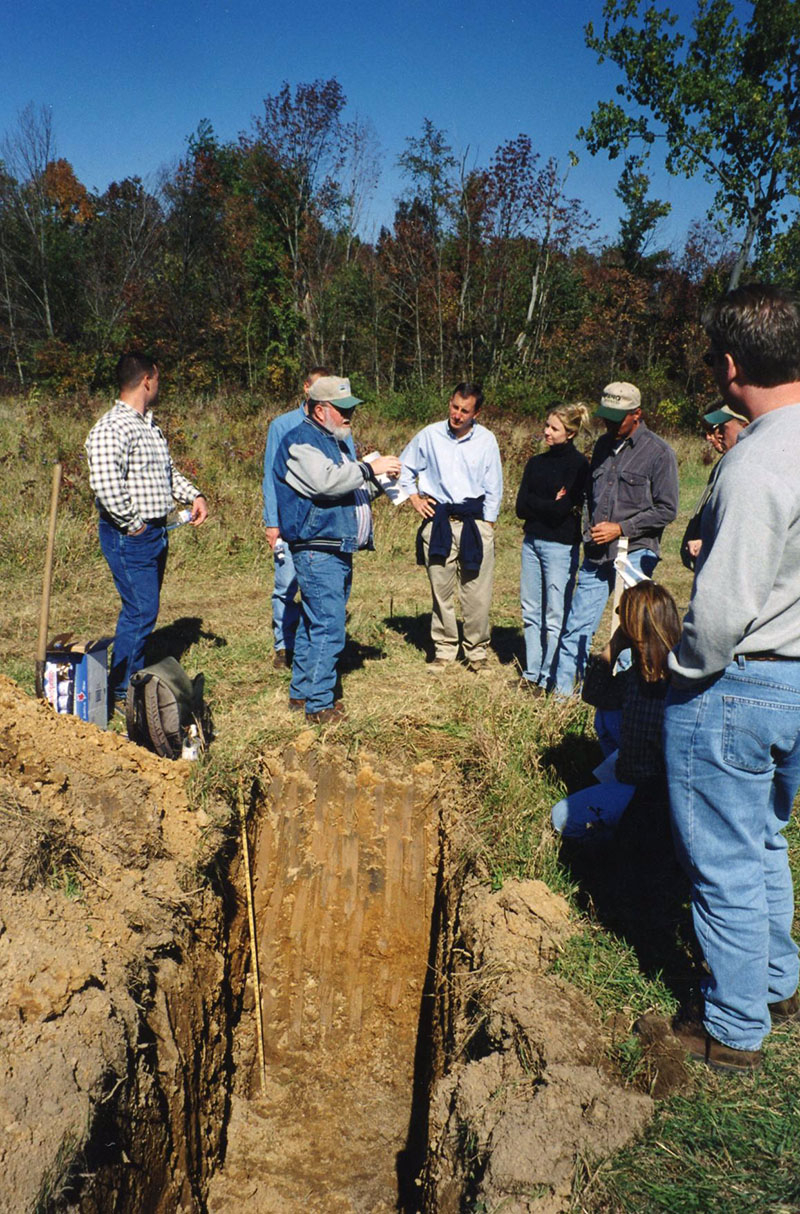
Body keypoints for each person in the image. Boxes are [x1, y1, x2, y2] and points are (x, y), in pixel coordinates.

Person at [664, 283, 800, 1074]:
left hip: (740, 684)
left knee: (722, 860)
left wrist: (679, 671)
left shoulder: (757, 462)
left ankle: (736, 1026)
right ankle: (779, 982)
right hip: (795, 681)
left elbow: (719, 613)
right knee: (763, 839)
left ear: (729, 364)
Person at [274, 375, 400, 724]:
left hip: (334, 546)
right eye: (342, 409)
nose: (349, 416)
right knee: (329, 625)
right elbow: (326, 483)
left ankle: (302, 693)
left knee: (316, 624)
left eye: (351, 409)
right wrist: (368, 468)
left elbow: (344, 490)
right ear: (319, 410)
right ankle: (319, 705)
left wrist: (381, 483)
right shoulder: (301, 441)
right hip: (318, 548)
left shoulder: (334, 442)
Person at [85, 352, 208, 708]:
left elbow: (166, 475)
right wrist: (133, 525)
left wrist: (194, 495)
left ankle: (128, 680)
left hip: (154, 532)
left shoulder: (148, 426)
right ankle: (122, 690)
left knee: (144, 610)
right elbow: (106, 486)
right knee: (140, 610)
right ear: (147, 380)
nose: (160, 384)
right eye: (159, 377)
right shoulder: (112, 428)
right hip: (130, 536)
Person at [552, 382, 679, 696]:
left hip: (635, 553)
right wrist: (590, 533)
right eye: (606, 417)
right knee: (576, 626)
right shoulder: (601, 447)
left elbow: (667, 509)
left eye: (617, 418)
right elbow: (592, 499)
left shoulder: (659, 453)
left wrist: (621, 528)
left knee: (631, 630)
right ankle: (562, 700)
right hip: (596, 553)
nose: (609, 424)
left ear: (637, 415)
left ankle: (624, 699)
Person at [551, 580, 680, 838]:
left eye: (622, 614)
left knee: (560, 817)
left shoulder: (665, 684)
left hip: (652, 793)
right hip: (644, 783)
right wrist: (612, 648)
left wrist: (612, 646)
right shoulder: (642, 675)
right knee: (606, 713)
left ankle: (622, 834)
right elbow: (594, 694)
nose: (619, 620)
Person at [398, 384, 503, 672]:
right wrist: (414, 498)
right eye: (454, 407)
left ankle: (476, 652)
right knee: (440, 591)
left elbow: (494, 486)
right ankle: (444, 650)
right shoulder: (430, 435)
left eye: (464, 410)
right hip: (439, 522)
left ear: (476, 413)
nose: (457, 415)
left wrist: (488, 525)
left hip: (474, 523)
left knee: (476, 593)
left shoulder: (486, 440)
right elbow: (404, 468)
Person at [262, 366, 341, 669]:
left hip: (321, 523)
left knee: (317, 586)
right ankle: (284, 645)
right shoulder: (283, 425)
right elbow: (271, 475)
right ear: (306, 389)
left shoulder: (334, 424)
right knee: (286, 583)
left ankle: (310, 643)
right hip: (289, 522)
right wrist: (272, 522)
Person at [515, 402, 590, 694]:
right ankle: (532, 673)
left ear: (570, 433)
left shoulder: (579, 466)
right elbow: (522, 507)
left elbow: (564, 511)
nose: (546, 431)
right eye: (546, 425)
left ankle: (551, 675)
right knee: (530, 610)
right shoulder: (536, 463)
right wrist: (551, 503)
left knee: (555, 614)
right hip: (531, 543)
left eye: (554, 428)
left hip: (560, 547)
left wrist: (543, 504)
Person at [680, 404, 748, 570]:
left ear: (745, 426)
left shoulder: (746, 468)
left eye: (717, 429)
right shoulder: (725, 463)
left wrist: (710, 542)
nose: (711, 437)